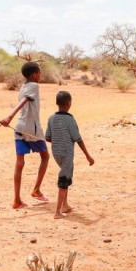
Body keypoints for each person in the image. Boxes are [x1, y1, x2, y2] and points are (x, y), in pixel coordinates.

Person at [0, 62, 50, 209]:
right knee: (45, 157)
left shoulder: (22, 87)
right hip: (31, 128)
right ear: (34, 75)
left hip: (19, 126)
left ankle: (17, 200)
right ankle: (36, 190)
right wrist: (9, 116)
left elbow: (24, 100)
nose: (40, 76)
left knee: (19, 163)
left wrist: (11, 119)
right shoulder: (34, 86)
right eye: (39, 73)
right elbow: (25, 100)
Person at [45, 90, 95, 219]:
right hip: (67, 153)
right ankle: (57, 212)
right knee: (64, 179)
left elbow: (48, 138)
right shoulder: (70, 120)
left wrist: (58, 137)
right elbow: (78, 139)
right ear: (69, 103)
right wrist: (88, 156)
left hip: (56, 153)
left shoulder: (51, 118)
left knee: (66, 175)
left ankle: (65, 205)